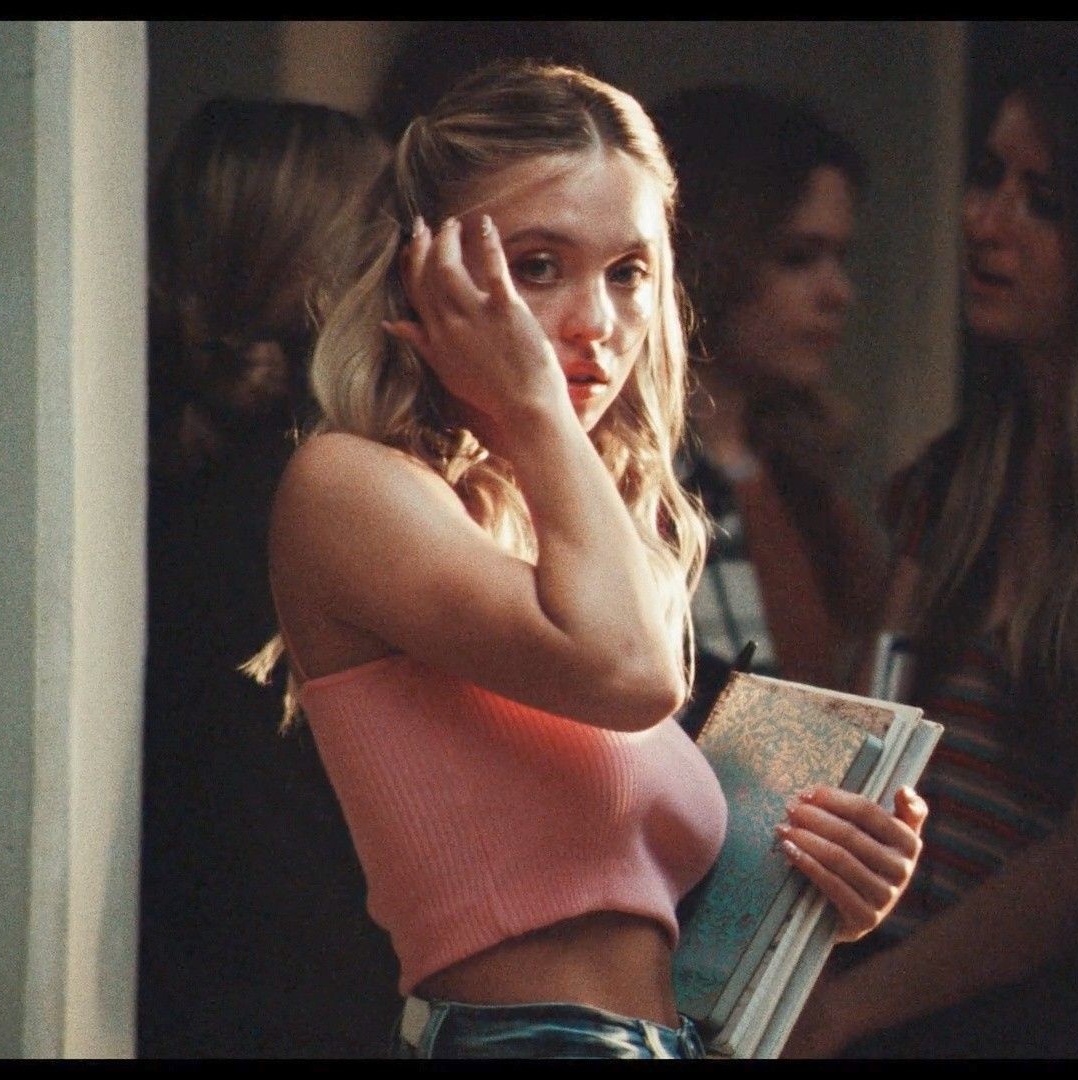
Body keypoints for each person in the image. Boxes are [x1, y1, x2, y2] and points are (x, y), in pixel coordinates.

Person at [243, 61, 928, 1060]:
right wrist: (533, 404)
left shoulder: (580, 530)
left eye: (628, 273)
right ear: (423, 274)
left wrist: (822, 890)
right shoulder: (351, 484)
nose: (595, 324)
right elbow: (629, 672)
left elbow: (618, 907)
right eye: (537, 267)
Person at [783, 53, 1078, 1057]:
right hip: (868, 985)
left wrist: (840, 1014)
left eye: (1042, 202)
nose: (985, 221)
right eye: (987, 178)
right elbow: (857, 745)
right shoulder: (954, 481)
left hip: (1020, 1018)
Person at [137, 97, 398, 1058]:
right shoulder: (327, 489)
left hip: (188, 992)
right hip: (316, 1003)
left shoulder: (166, 483)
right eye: (393, 233)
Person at [652, 84, 888, 702]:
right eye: (797, 258)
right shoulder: (638, 476)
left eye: (841, 258)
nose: (838, 293)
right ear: (711, 255)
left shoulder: (810, 490)